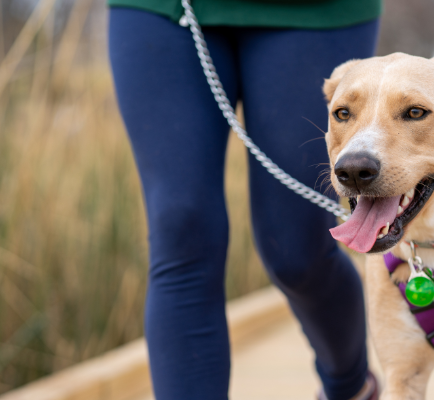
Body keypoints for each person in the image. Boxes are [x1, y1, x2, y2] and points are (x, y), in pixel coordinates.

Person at [107, 1, 381, 398]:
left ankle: (350, 385)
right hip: (163, 11)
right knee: (182, 229)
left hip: (316, 12)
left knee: (296, 251)